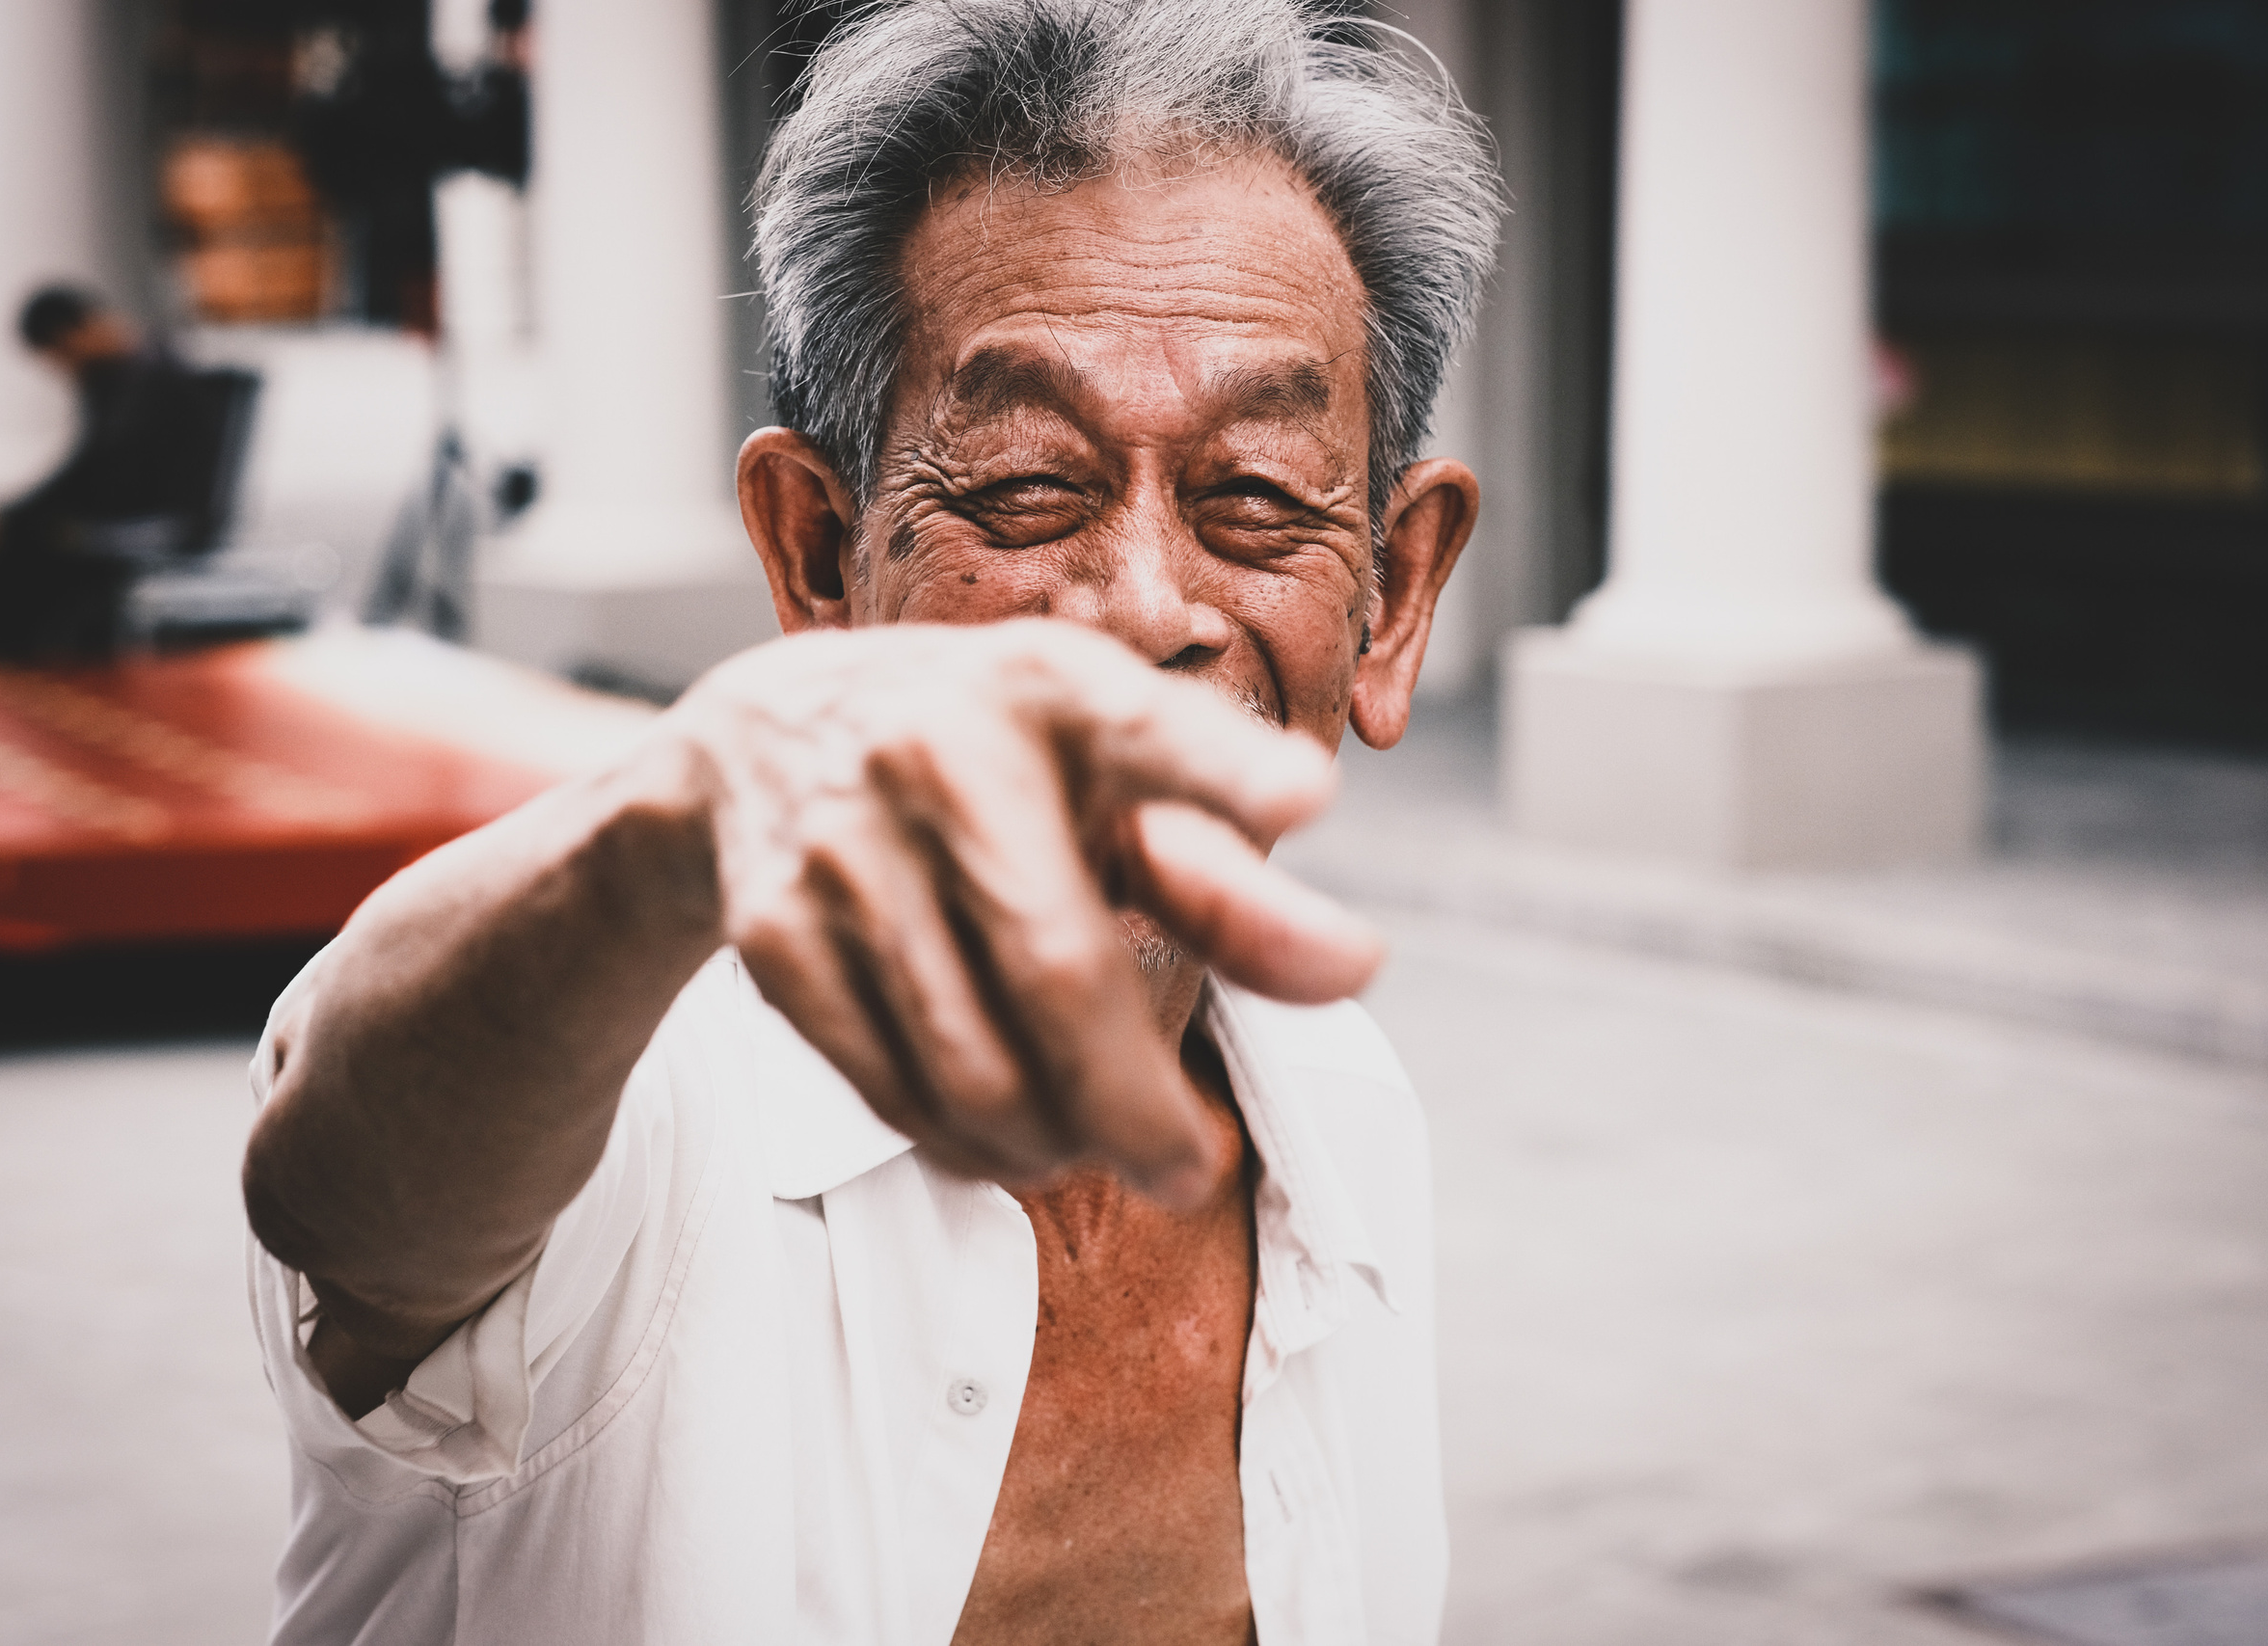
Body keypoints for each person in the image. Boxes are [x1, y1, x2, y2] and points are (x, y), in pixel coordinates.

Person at [241, 1, 1498, 1639]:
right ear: (819, 555)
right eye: (1025, 486)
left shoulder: (1345, 1110)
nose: (1140, 607)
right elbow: (348, 1189)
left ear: (1396, 596)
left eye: (1253, 497)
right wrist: (680, 810)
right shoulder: (637, 1085)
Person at [0, 285, 224, 659]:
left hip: (155, 524)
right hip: (131, 513)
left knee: (9, 558)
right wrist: (12, 516)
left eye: (59, 355)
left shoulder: (149, 381)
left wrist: (15, 519)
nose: (64, 368)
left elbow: (106, 477)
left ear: (76, 333)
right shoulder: (129, 373)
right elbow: (93, 472)